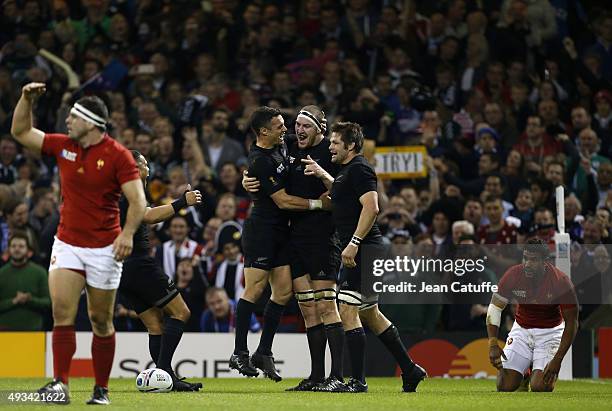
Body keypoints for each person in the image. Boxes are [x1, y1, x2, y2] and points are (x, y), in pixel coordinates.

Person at [10, 82, 147, 405]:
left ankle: (101, 389)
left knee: (100, 320)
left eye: (73, 117)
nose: (67, 121)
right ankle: (60, 384)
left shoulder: (118, 156)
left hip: (104, 248)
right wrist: (25, 99)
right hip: (68, 242)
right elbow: (21, 131)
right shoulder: (63, 145)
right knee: (62, 313)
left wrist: (126, 235)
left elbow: (138, 202)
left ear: (90, 123)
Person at [302, 122, 426, 393]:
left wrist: (354, 243)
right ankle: (410, 369)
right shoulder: (348, 171)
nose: (330, 146)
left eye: (335, 143)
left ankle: (357, 381)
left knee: (347, 310)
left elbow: (372, 206)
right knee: (369, 313)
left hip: (363, 249)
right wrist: (324, 174)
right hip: (366, 249)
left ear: (351, 146)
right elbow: (344, 195)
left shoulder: (360, 168)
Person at [243, 105, 347, 391]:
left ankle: (336, 377)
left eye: (306, 126)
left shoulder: (331, 152)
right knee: (308, 309)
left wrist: (327, 183)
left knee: (327, 306)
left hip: (323, 237)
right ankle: (316, 377)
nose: (298, 130)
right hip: (294, 238)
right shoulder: (288, 146)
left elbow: (342, 189)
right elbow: (262, 162)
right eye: (296, 124)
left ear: (320, 129)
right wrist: (247, 180)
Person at [118, 150, 202, 392]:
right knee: (181, 313)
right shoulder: (129, 189)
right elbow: (147, 216)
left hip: (124, 268)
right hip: (139, 264)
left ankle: (166, 378)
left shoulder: (129, 190)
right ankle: (165, 374)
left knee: (155, 325)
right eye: (144, 162)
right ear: (134, 168)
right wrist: (182, 202)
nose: (148, 165)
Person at [486, 238, 578, 392]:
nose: (528, 263)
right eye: (525, 258)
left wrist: (558, 359)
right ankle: (526, 372)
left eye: (534, 260)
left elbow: (572, 323)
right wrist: (493, 344)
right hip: (522, 329)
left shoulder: (561, 281)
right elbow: (495, 308)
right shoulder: (513, 274)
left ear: (545, 261)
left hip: (550, 332)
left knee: (540, 387)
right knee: (504, 386)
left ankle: (532, 372)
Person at [0, 231, 50, 331]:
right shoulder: (1, 273)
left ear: (28, 251)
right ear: (8, 250)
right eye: (13, 246)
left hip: (34, 330)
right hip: (5, 331)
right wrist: (14, 301)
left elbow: (48, 303)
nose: (17, 249)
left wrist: (29, 300)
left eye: (21, 246)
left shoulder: (40, 272)